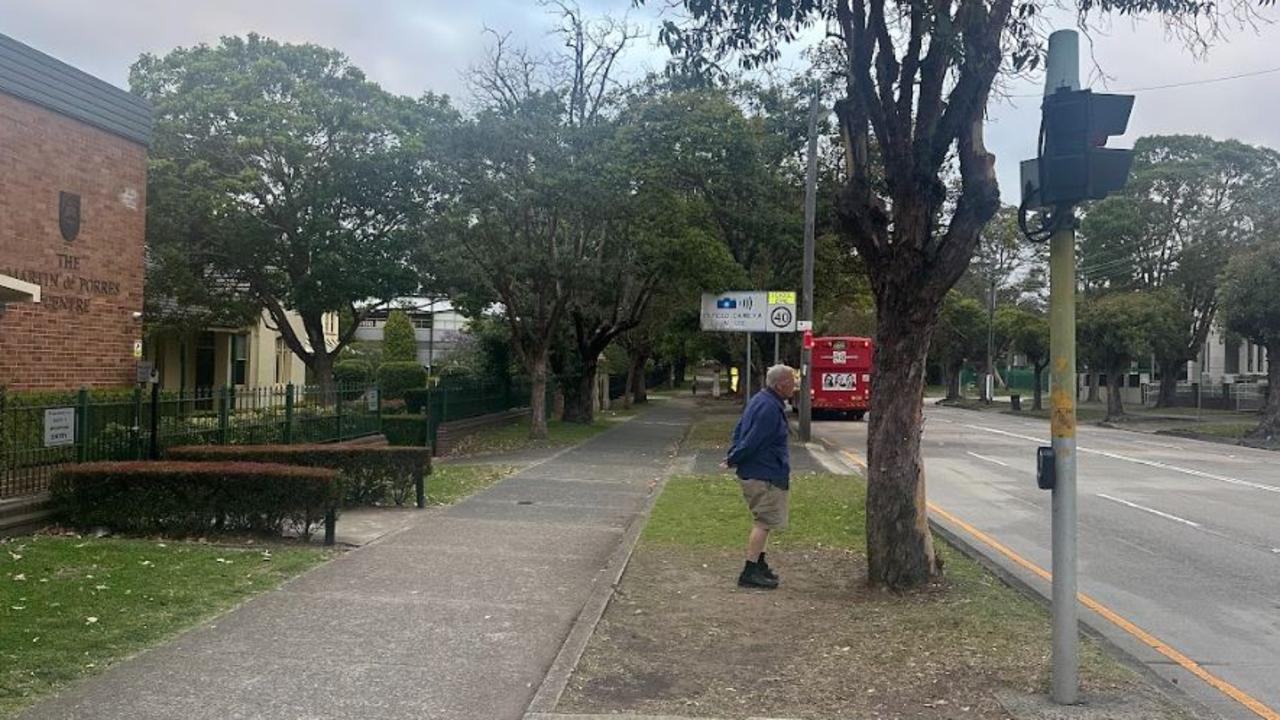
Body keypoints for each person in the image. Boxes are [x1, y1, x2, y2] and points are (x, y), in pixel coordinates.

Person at [721, 364, 795, 589]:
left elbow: (740, 429)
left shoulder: (760, 400)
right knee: (763, 521)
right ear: (781, 385)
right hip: (764, 472)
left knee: (766, 521)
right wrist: (734, 458)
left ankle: (759, 564)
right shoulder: (769, 408)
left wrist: (734, 454)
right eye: (792, 382)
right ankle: (750, 569)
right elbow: (753, 440)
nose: (795, 386)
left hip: (762, 470)